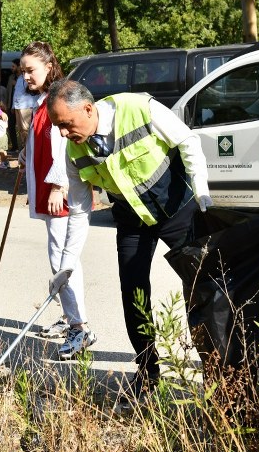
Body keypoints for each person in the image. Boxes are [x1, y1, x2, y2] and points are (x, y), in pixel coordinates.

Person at [48, 79, 213, 400]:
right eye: (58, 128)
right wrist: (67, 264)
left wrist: (202, 188)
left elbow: (187, 141)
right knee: (134, 296)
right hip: (132, 219)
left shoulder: (138, 108)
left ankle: (218, 373)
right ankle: (149, 375)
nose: (64, 134)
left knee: (202, 290)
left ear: (87, 108)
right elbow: (81, 210)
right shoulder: (74, 152)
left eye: (66, 125)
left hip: (177, 208)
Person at [16, 43, 94, 359]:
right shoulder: (41, 102)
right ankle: (69, 317)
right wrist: (25, 154)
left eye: (30, 69)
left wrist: (59, 185)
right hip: (48, 190)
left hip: (59, 193)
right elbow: (41, 142)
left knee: (63, 260)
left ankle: (80, 328)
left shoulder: (58, 101)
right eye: (22, 70)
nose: (25, 75)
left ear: (49, 66)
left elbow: (64, 147)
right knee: (60, 256)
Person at [12, 67, 37, 158]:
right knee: (21, 130)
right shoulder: (19, 78)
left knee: (27, 130)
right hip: (18, 106)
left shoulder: (29, 78)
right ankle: (24, 149)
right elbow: (17, 93)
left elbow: (32, 91)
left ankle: (29, 151)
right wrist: (13, 106)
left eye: (14, 66)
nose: (12, 68)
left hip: (27, 106)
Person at [5, 58, 21, 151]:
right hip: (10, 106)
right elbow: (8, 92)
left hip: (20, 107)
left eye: (13, 66)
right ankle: (14, 146)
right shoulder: (11, 78)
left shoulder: (23, 78)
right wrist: (7, 105)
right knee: (11, 127)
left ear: (19, 66)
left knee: (20, 127)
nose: (12, 68)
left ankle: (22, 147)